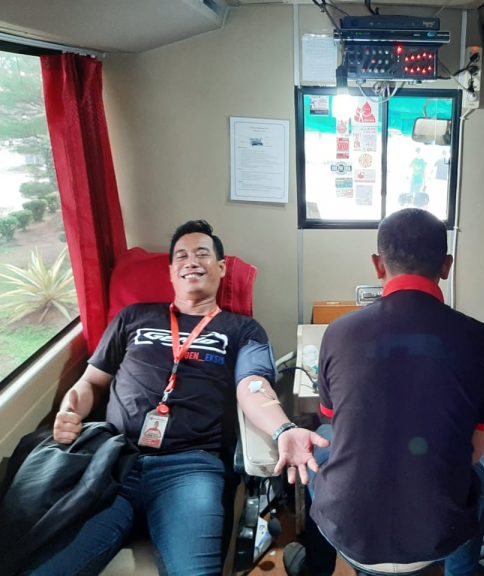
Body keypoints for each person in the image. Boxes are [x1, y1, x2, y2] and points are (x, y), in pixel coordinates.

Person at [37, 219, 325, 576]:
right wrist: (70, 410)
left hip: (190, 468)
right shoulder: (132, 318)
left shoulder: (241, 329)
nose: (191, 262)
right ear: (171, 272)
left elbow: (253, 385)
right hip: (113, 460)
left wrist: (283, 429)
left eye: (202, 254)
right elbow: (91, 383)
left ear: (221, 268)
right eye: (182, 256)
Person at [302, 208, 484, 575]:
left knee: (319, 439)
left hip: (351, 533)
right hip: (439, 534)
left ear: (378, 265)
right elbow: (474, 452)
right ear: (446, 266)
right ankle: (462, 569)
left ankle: (316, 566)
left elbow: (334, 423)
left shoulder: (338, 333)